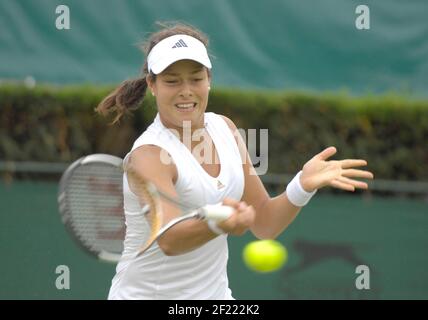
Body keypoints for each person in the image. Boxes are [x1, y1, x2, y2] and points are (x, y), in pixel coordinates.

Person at [96, 22, 374, 300]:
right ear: (152, 86)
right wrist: (220, 224)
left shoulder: (225, 129)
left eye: (196, 78)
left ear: (209, 80)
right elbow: (169, 239)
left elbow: (265, 222)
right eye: (172, 81)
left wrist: (302, 185)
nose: (186, 90)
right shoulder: (149, 155)